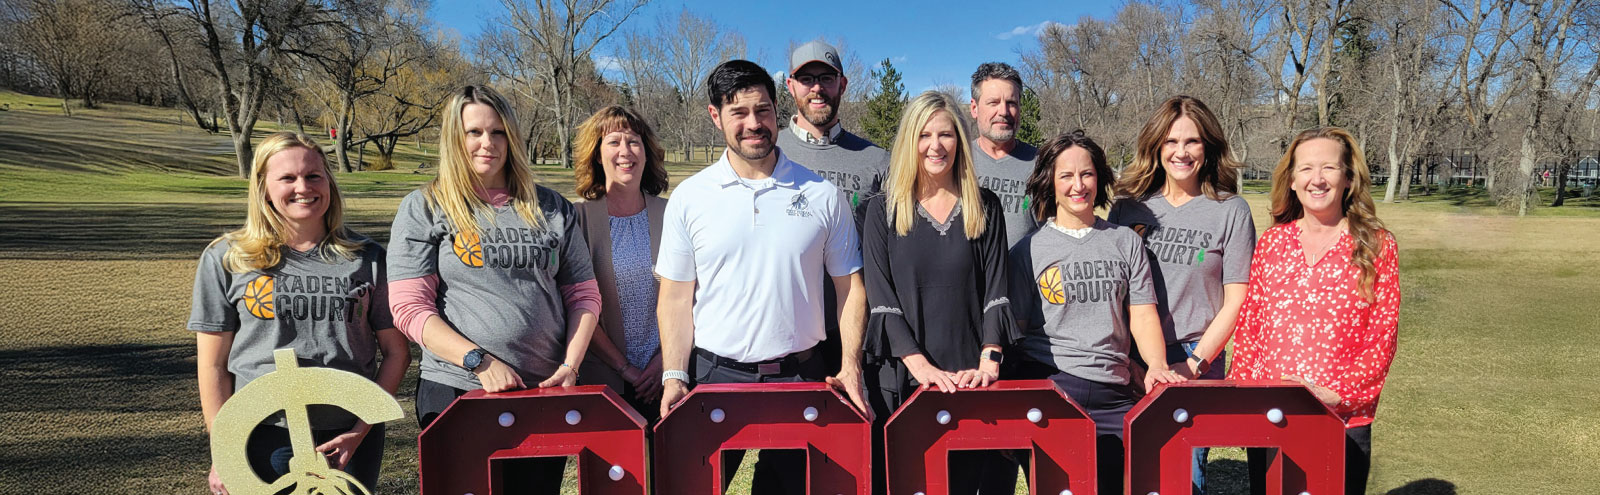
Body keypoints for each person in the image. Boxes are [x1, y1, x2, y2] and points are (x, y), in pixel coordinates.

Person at [656, 59, 869, 495]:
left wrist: (850, 365)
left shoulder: (822, 195)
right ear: (716, 116)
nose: (754, 124)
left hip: (801, 376)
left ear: (777, 109)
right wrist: (674, 374)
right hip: (714, 378)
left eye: (763, 110)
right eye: (739, 113)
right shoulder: (690, 198)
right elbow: (676, 299)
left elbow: (850, 287)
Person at [386, 85, 600, 493]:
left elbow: (584, 296)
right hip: (458, 388)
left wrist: (570, 367)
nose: (488, 143)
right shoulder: (426, 207)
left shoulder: (552, 208)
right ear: (455, 138)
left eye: (499, 132)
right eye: (474, 132)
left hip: (542, 389)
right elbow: (410, 308)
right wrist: (478, 362)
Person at [190, 132, 409, 495]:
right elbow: (213, 365)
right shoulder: (228, 259)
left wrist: (359, 430)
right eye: (287, 178)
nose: (302, 187)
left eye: (313, 175)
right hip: (263, 432)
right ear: (263, 188)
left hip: (349, 434)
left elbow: (397, 352)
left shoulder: (367, 258)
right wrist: (224, 449)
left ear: (329, 182)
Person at [1008, 130, 1185, 495]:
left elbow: (1142, 314)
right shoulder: (1028, 251)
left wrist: (1155, 365)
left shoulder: (1125, 242)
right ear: (1050, 183)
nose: (1078, 185)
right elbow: (1019, 332)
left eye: (1087, 174)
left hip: (1115, 393)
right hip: (1053, 388)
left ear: (1100, 178)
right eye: (1066, 176)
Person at [861, 91, 1019, 495]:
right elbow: (881, 298)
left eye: (946, 135)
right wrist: (920, 368)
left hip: (970, 380)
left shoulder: (985, 206)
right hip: (903, 380)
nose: (935, 145)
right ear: (909, 141)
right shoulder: (882, 209)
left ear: (959, 142)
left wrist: (989, 361)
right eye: (924, 135)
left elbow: (996, 292)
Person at [1230, 127, 1400, 495]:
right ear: (1291, 180)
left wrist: (1338, 394)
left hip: (1342, 418)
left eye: (1329, 168)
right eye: (1306, 169)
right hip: (1271, 416)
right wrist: (1243, 400)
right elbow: (1250, 328)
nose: (1317, 179)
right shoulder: (1273, 243)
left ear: (1349, 178)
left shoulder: (1376, 245)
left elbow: (1382, 336)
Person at [1107, 95, 1256, 494]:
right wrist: (1132, 362)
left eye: (1192, 142)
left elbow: (1236, 300)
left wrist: (1194, 365)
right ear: (1156, 146)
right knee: (1124, 472)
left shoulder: (1230, 210)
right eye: (1171, 142)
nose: (1181, 152)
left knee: (1183, 477)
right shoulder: (1128, 207)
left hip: (1195, 356)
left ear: (1208, 147)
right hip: (1131, 358)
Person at [779, 39, 891, 377]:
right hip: (788, 337)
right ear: (790, 86)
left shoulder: (876, 159)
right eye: (806, 79)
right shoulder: (769, 153)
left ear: (842, 84)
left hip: (857, 330)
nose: (817, 88)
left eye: (826, 78)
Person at [570, 105, 671, 420]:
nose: (625, 151)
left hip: (669, 375)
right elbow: (577, 303)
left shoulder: (673, 214)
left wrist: (665, 361)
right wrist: (625, 368)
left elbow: (693, 297)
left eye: (634, 141)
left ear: (646, 152)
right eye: (614, 142)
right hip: (606, 379)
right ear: (597, 155)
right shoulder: (578, 220)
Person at [968, 62, 1039, 248]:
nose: (1003, 112)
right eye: (993, 102)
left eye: (1011, 103)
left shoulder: (1041, 164)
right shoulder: (958, 160)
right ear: (974, 108)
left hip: (1025, 275)